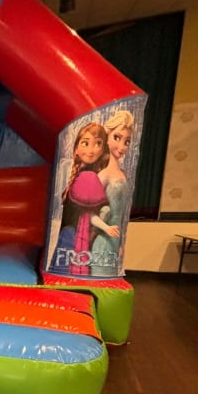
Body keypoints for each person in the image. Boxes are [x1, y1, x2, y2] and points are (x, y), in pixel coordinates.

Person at [49, 121, 116, 276]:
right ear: (76, 149)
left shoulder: (89, 176)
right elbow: (87, 213)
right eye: (85, 143)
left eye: (97, 144)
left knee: (62, 272)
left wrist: (105, 227)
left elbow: (88, 214)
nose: (91, 150)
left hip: (71, 236)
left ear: (103, 149)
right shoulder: (85, 176)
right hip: (72, 236)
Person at [90, 110, 134, 276]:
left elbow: (121, 215)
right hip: (103, 241)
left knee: (110, 283)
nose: (122, 146)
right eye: (117, 138)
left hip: (115, 243)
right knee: (99, 283)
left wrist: (121, 242)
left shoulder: (123, 175)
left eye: (127, 141)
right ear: (107, 138)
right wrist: (106, 228)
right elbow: (87, 213)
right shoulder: (103, 175)